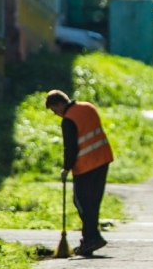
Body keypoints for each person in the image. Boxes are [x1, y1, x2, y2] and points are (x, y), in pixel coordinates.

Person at [45, 90, 114, 256]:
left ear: (60, 104)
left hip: (85, 165)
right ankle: (89, 238)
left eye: (55, 111)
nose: (57, 115)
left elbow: (71, 147)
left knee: (82, 202)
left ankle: (92, 238)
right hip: (103, 159)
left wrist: (66, 168)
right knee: (93, 202)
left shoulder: (69, 120)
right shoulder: (88, 107)